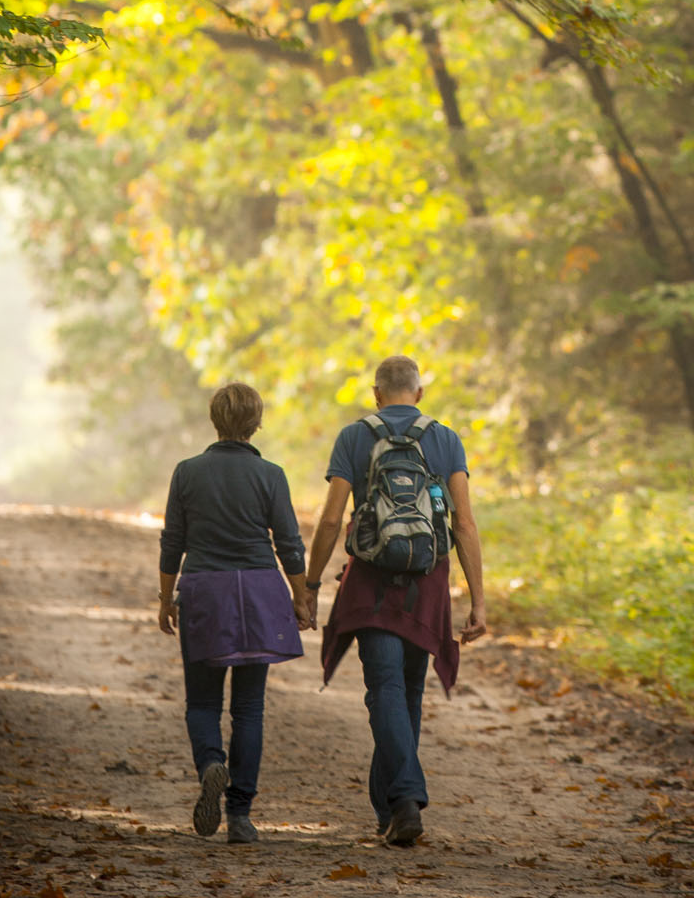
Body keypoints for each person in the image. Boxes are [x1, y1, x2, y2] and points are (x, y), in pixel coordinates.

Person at [306, 354, 487, 847]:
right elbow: (464, 523)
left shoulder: (354, 436)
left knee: (383, 688)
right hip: (427, 583)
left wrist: (310, 583)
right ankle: (392, 808)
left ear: (376, 393)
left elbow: (329, 520)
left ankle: (403, 799)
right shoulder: (446, 438)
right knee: (407, 693)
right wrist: (478, 602)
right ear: (420, 393)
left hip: (371, 582)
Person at [158, 381, 311, 843]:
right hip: (260, 592)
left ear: (214, 420)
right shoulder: (271, 475)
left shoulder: (187, 472)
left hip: (206, 591)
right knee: (249, 707)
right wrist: (301, 597)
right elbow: (288, 542)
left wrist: (165, 599)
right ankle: (240, 816)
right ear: (256, 422)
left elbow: (173, 542)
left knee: (203, 702)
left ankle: (211, 763)